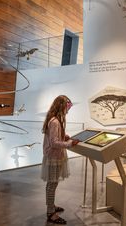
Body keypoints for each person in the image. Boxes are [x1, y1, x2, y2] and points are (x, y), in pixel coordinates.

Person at [41, 95, 79, 225]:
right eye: (67, 107)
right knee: (52, 184)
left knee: (52, 184)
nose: (67, 110)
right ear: (62, 106)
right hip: (53, 156)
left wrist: (64, 136)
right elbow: (54, 143)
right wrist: (69, 143)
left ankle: (51, 206)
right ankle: (50, 213)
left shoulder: (54, 120)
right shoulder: (55, 122)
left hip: (53, 156)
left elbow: (55, 138)